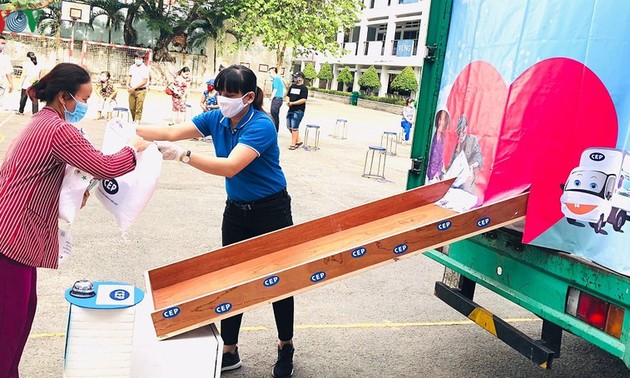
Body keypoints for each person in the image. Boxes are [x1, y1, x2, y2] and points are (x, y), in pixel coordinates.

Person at [136, 64, 296, 378]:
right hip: (236, 211)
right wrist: (131, 129)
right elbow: (171, 131)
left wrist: (183, 156)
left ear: (248, 97)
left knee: (280, 280)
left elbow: (230, 167)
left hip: (271, 211)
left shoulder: (261, 125)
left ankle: (285, 345)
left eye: (230, 94)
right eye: (219, 92)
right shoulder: (216, 118)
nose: (222, 99)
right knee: (230, 279)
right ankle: (230, 350)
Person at [0, 62, 149, 378]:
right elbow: (105, 166)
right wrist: (134, 149)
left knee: (22, 316)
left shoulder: (43, 121)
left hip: (13, 232)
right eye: (83, 98)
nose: (85, 105)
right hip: (10, 236)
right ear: (65, 97)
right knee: (8, 328)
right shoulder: (58, 130)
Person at [448, 114, 483, 194]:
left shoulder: (472, 140)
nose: (461, 135)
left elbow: (479, 157)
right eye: (459, 132)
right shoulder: (457, 145)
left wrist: (473, 165)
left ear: (466, 127)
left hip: (468, 183)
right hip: (456, 184)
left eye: (463, 130)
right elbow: (451, 164)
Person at [286, 71, 308, 150]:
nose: (295, 78)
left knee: (295, 127)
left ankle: (293, 144)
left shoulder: (304, 88)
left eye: (297, 77)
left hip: (298, 110)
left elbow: (303, 99)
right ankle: (298, 140)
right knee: (289, 126)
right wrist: (288, 101)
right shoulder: (292, 86)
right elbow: (288, 95)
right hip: (291, 109)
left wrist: (293, 103)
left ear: (301, 78)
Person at [427, 109, 450, 181]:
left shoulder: (444, 139)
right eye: (440, 119)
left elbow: (442, 159)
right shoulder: (431, 135)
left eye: (444, 120)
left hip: (435, 176)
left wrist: (438, 173)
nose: (441, 123)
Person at [126, 50, 150, 123]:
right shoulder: (132, 67)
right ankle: (134, 119)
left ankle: (137, 121)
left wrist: (135, 87)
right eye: (137, 58)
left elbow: (145, 81)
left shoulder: (145, 68)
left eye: (140, 58)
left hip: (141, 90)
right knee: (131, 107)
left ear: (143, 59)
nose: (138, 60)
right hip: (132, 90)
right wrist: (127, 84)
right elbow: (130, 76)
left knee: (138, 107)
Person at [0, 35, 14, 110]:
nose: (2, 45)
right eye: (1, 43)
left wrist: (11, 84)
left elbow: (8, 71)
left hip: (1, 84)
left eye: (4, 44)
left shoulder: (5, 57)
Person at [268, 67, 284, 131]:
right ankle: (275, 129)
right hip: (278, 98)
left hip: (277, 98)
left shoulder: (276, 79)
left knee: (274, 114)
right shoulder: (278, 79)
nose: (269, 74)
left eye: (270, 73)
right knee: (274, 114)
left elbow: (275, 89)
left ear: (273, 72)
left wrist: (271, 98)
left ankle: (275, 129)